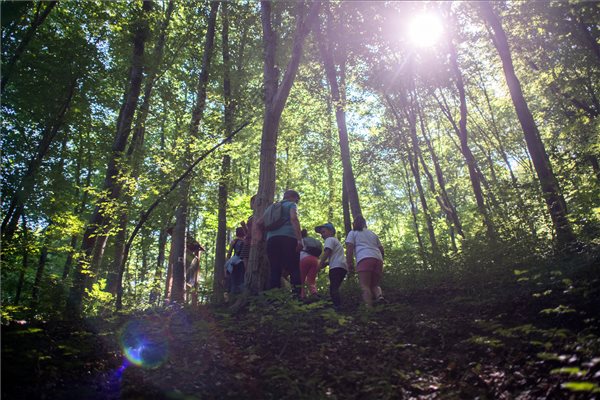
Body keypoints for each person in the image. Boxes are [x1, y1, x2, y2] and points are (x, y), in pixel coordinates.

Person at [259, 190, 303, 294]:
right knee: (294, 267)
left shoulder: (270, 208)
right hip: (288, 238)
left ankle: (275, 298)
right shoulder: (291, 205)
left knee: (275, 268)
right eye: (297, 200)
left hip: (272, 240)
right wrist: (300, 240)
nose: (297, 202)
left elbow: (259, 222)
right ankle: (297, 297)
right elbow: (294, 219)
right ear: (294, 197)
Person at [345, 215, 384, 308]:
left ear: (354, 224)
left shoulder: (352, 233)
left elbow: (350, 247)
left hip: (364, 258)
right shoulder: (372, 233)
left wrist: (349, 262)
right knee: (375, 285)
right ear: (365, 224)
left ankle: (368, 308)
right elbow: (381, 249)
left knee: (364, 286)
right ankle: (379, 296)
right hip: (378, 258)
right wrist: (381, 259)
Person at [315, 222, 347, 310]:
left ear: (331, 231)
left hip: (336, 267)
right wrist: (326, 263)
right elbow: (335, 256)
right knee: (335, 287)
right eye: (321, 233)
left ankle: (337, 307)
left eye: (324, 232)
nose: (322, 235)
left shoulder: (329, 240)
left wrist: (320, 263)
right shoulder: (336, 241)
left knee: (333, 288)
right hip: (342, 267)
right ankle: (337, 305)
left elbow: (327, 252)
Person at [299, 228, 320, 298]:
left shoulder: (300, 241)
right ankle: (314, 294)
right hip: (315, 260)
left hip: (304, 260)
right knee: (311, 280)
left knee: (301, 280)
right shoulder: (311, 241)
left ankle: (302, 296)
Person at [226, 227, 246, 295]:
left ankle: (233, 296)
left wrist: (227, 263)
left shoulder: (234, 241)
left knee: (233, 280)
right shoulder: (245, 241)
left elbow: (229, 253)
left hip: (234, 262)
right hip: (242, 263)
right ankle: (240, 295)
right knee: (241, 280)